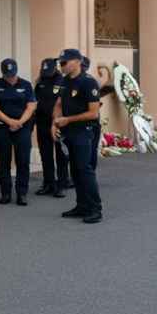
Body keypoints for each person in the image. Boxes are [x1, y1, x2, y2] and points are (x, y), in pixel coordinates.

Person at [52, 48, 103, 224]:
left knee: (84, 169)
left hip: (84, 131)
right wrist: (55, 122)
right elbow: (58, 104)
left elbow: (93, 113)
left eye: (64, 62)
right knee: (74, 170)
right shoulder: (64, 81)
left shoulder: (88, 83)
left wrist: (68, 119)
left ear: (77, 62)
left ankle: (95, 209)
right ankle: (81, 205)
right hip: (68, 131)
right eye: (60, 63)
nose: (61, 66)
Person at [0, 58, 37, 206]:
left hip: (22, 127)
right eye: (8, 74)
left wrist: (19, 122)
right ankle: (6, 193)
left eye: (13, 74)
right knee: (3, 161)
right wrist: (10, 122)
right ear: (3, 73)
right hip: (2, 127)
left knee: (23, 161)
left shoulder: (26, 85)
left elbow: (31, 106)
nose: (11, 77)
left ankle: (22, 193)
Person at [34, 57, 70, 198]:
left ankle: (61, 184)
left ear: (55, 68)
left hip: (57, 123)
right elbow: (35, 99)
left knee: (61, 155)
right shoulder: (40, 81)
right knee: (45, 154)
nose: (46, 73)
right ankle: (48, 183)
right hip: (42, 122)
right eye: (44, 71)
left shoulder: (63, 81)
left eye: (48, 71)